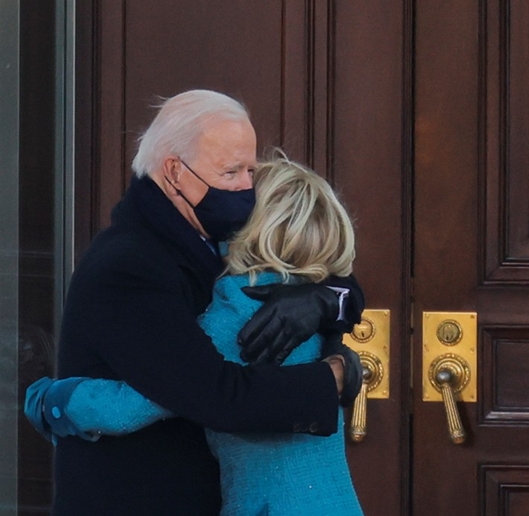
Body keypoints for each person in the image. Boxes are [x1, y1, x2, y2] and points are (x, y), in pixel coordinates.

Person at [24, 89, 364, 515]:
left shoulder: (222, 245)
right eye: (230, 172)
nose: (246, 187)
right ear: (174, 172)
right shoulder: (131, 265)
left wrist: (325, 301)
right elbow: (213, 394)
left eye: (251, 171)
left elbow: (327, 270)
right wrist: (334, 376)